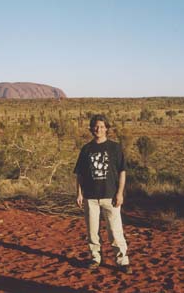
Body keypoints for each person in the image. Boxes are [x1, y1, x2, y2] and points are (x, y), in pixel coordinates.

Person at [74, 114, 132, 274]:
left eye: (101, 126)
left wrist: (120, 193)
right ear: (91, 128)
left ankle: (122, 260)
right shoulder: (86, 149)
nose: (98, 129)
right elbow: (79, 174)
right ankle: (95, 258)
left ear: (106, 128)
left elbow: (122, 172)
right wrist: (78, 193)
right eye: (95, 126)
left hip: (111, 196)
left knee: (115, 230)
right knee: (92, 231)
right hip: (90, 197)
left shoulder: (115, 148)